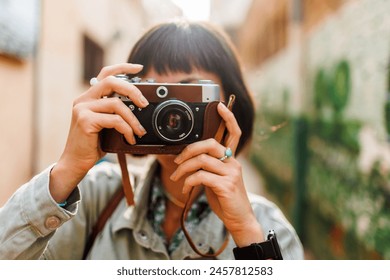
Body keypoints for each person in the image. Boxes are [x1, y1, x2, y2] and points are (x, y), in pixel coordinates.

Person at [0, 20, 304, 260]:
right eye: (156, 94)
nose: (172, 115)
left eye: (191, 92)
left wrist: (246, 234)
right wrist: (66, 170)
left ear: (232, 106)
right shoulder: (94, 198)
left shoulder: (268, 227)